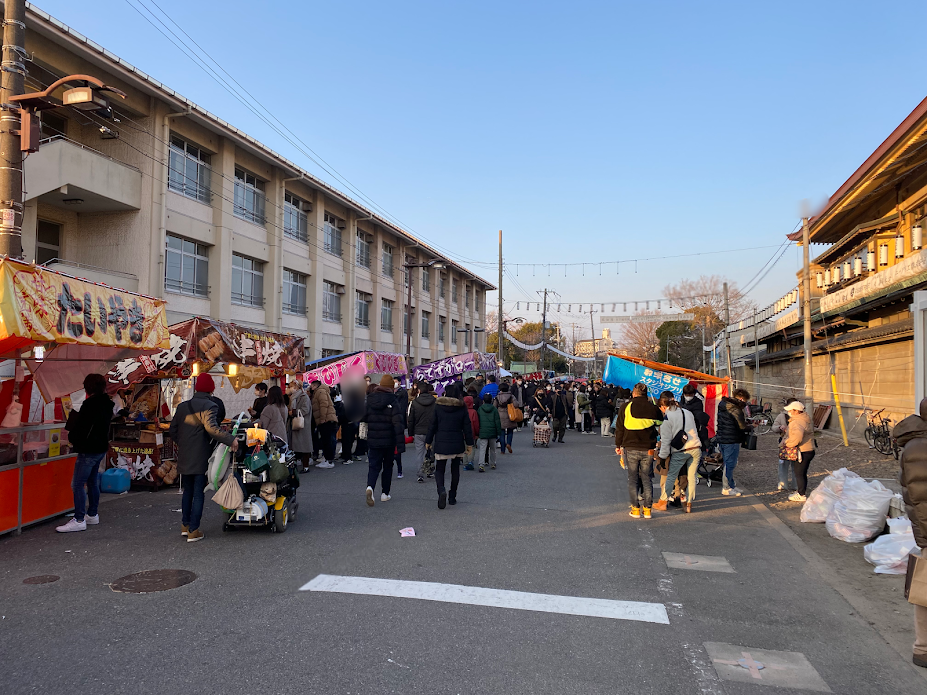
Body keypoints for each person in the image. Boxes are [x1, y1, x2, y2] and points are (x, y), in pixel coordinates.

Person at [167, 373, 238, 542]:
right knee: (198, 492)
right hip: (200, 454)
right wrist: (230, 439)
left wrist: (183, 442)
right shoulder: (210, 405)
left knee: (187, 491)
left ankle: (185, 525)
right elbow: (212, 429)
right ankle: (194, 530)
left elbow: (172, 430)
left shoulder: (183, 406)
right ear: (211, 388)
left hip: (185, 453)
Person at [892, 399, 927, 669]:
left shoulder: (913, 446)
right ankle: (923, 648)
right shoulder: (919, 448)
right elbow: (919, 496)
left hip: (924, 528)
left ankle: (923, 648)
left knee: (925, 592)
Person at [57, 374, 115, 533]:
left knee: (77, 484)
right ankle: (92, 514)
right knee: (92, 481)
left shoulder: (90, 404)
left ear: (88, 387)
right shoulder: (107, 404)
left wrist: (72, 435)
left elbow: (82, 429)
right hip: (100, 447)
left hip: (88, 449)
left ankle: (79, 518)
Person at [614, 383, 663, 519]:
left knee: (633, 479)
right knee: (647, 479)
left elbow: (619, 428)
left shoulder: (626, 407)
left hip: (630, 447)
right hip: (648, 448)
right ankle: (647, 510)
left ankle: (635, 509)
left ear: (634, 393)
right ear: (646, 394)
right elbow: (660, 423)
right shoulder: (653, 408)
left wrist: (618, 445)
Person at [426, 383, 474, 509]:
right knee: (455, 470)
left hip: (441, 441)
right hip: (457, 442)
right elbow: (467, 427)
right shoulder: (461, 407)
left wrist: (428, 440)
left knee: (440, 469)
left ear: (445, 393)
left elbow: (433, 425)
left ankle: (441, 490)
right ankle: (452, 496)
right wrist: (469, 444)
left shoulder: (438, 406)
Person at [652, 393, 701, 514]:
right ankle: (688, 503)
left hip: (681, 451)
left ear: (663, 407)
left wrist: (662, 457)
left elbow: (666, 441)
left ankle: (662, 502)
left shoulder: (667, 418)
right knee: (692, 477)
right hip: (696, 447)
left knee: (671, 476)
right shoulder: (687, 412)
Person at [363, 375, 405, 505]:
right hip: (389, 440)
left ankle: (370, 487)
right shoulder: (393, 400)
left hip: (373, 439)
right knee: (387, 466)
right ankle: (385, 494)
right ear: (392, 387)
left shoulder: (370, 400)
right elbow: (398, 423)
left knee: (374, 466)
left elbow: (363, 417)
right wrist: (401, 444)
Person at [715, 388, 752, 496]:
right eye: (745, 401)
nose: (745, 404)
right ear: (741, 399)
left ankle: (731, 485)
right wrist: (751, 426)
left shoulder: (724, 404)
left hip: (723, 437)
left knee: (728, 462)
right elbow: (741, 426)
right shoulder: (735, 409)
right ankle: (726, 488)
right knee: (730, 463)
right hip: (731, 439)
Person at [782, 401, 815, 502]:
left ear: (796, 411)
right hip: (808, 449)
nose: (789, 412)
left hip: (803, 450)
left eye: (790, 410)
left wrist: (787, 443)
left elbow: (797, 437)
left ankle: (801, 494)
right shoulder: (804, 419)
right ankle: (800, 491)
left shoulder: (797, 421)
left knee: (799, 473)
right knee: (802, 473)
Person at [409, 381, 437, 483]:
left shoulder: (415, 402)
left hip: (419, 430)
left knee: (419, 453)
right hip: (431, 430)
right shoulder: (434, 401)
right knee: (430, 452)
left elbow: (411, 419)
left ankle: (420, 474)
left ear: (419, 390)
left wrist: (411, 432)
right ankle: (430, 471)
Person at [309, 379, 338, 468]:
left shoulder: (320, 391)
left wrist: (322, 418)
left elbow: (323, 405)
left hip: (326, 420)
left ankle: (329, 461)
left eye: (311, 386)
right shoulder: (321, 391)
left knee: (327, 440)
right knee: (326, 440)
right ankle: (327, 459)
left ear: (314, 386)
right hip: (327, 419)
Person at [286, 380, 313, 472]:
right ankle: (297, 464)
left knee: (304, 445)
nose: (289, 389)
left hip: (302, 424)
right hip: (294, 423)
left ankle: (306, 466)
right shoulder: (292, 397)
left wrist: (293, 412)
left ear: (297, 387)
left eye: (291, 386)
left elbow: (305, 409)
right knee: (295, 445)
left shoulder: (303, 396)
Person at [773, 397, 798, 491]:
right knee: (783, 463)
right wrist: (780, 427)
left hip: (796, 442)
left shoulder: (801, 417)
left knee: (796, 465)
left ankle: (796, 485)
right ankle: (783, 484)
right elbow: (773, 427)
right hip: (784, 442)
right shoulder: (781, 416)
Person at [476, 393, 502, 472]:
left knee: (482, 449)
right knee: (493, 449)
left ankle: (481, 464)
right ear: (491, 400)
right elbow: (497, 421)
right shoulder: (494, 409)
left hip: (483, 431)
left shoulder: (480, 409)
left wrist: (478, 431)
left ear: (483, 400)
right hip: (492, 431)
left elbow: (478, 421)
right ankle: (493, 463)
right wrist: (499, 432)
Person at [494, 382, 519, 454]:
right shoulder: (511, 396)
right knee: (510, 431)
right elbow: (516, 405)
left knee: (501, 433)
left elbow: (494, 407)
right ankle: (508, 444)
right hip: (510, 414)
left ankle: (502, 450)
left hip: (500, 415)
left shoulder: (497, 397)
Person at [393, 381, 410, 478]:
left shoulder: (402, 393)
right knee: (395, 453)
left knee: (395, 452)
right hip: (394, 431)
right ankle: (398, 470)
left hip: (393, 432)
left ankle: (399, 470)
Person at [463, 394, 480, 470]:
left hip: (462, 432)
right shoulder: (473, 412)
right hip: (471, 431)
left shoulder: (462, 411)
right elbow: (476, 423)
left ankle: (465, 463)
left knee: (464, 447)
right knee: (472, 447)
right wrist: (477, 433)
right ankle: (470, 461)